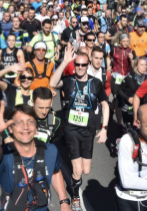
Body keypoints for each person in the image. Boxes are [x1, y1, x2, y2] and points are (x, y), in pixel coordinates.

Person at [50, 45, 110, 211]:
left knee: (86, 170)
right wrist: (64, 62)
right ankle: (75, 196)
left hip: (88, 131)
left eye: (84, 65)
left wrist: (104, 128)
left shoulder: (96, 83)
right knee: (76, 169)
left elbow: (105, 105)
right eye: (77, 65)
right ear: (74, 65)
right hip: (71, 130)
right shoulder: (69, 81)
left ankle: (75, 182)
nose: (80, 68)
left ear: (88, 64)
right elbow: (52, 83)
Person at [0, 101, 72, 211]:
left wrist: (64, 202)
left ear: (36, 127)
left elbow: (55, 172)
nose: (25, 127)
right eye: (19, 122)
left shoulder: (50, 150)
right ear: (10, 129)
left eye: (30, 122)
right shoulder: (5, 154)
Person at [117, 57, 147, 128]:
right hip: (129, 109)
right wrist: (128, 98)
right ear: (136, 66)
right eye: (142, 65)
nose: (144, 67)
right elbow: (119, 90)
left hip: (142, 110)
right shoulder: (129, 78)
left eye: (145, 65)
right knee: (130, 130)